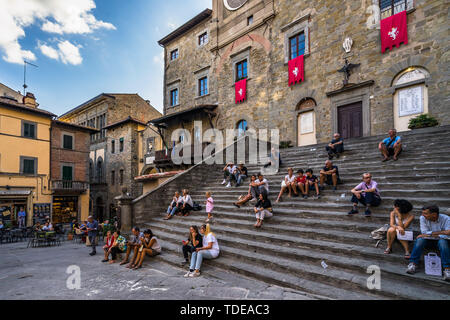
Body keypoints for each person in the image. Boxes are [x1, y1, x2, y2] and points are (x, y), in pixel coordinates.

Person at [406, 205, 450, 281]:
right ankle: (413, 264)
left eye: (425, 213)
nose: (423, 215)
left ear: (434, 214)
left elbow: (448, 232)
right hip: (429, 241)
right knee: (420, 240)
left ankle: (447, 269)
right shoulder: (422, 218)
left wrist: (430, 234)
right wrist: (441, 233)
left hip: (442, 241)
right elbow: (424, 232)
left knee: (443, 243)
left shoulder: (446, 219)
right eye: (422, 213)